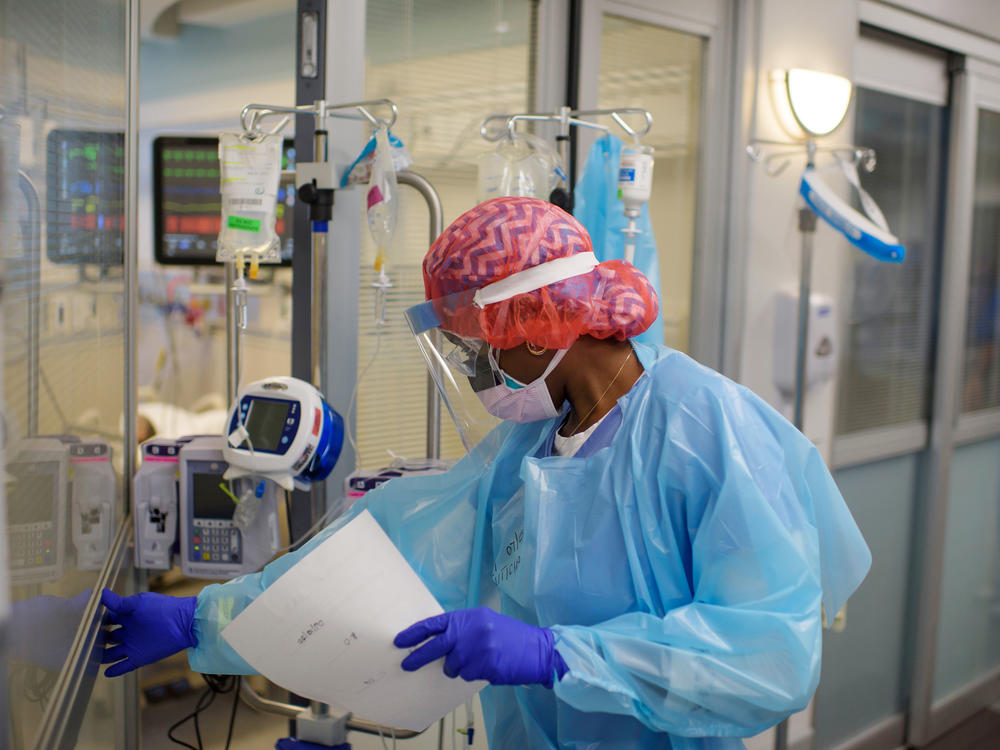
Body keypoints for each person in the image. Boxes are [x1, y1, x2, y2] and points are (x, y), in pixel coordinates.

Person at [101, 197, 871, 749]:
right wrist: (203, 620)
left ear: (535, 322)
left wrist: (557, 654)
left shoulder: (707, 432)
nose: (475, 370)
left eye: (477, 345)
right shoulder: (529, 451)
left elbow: (770, 657)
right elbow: (393, 548)